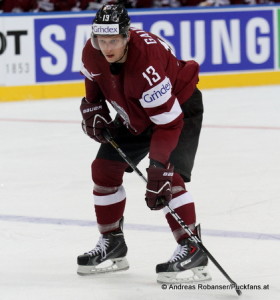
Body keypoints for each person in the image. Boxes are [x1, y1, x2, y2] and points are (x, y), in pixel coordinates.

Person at [77, 3, 211, 284]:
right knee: (103, 170)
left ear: (127, 36)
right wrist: (92, 107)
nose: (107, 47)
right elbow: (94, 84)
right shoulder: (92, 52)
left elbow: (169, 123)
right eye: (102, 40)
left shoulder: (146, 63)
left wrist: (158, 166)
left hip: (178, 110)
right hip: (135, 110)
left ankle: (192, 247)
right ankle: (112, 243)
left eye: (113, 40)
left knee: (167, 177)